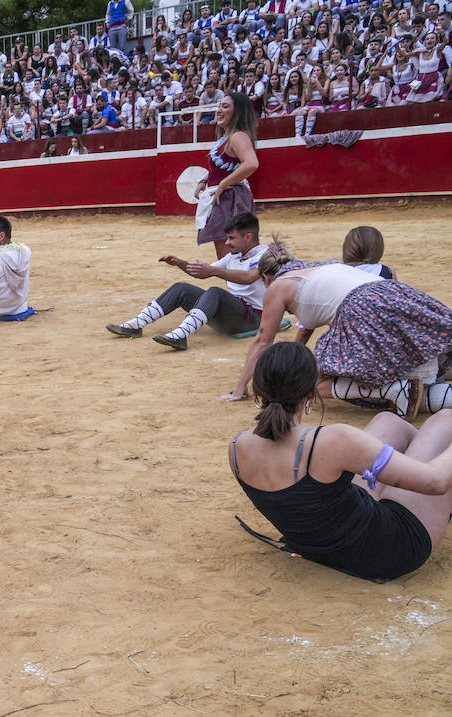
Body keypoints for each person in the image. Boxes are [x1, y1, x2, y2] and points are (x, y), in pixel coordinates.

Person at [230, 341, 452, 582]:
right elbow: (436, 483)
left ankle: (422, 476)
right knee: (446, 421)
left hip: (318, 545)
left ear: (259, 391)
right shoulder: (333, 441)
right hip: (389, 551)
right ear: (311, 394)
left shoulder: (237, 446)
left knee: (389, 421)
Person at [224, 239, 452, 417]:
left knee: (313, 383)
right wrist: (295, 363)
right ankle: (417, 383)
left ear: (266, 277)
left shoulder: (278, 286)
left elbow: (263, 342)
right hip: (394, 294)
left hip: (362, 309)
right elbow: (305, 329)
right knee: (430, 362)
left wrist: (240, 387)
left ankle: (392, 391)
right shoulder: (321, 267)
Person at [106, 211, 268, 349]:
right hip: (233, 315)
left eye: (232, 238)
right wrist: (180, 263)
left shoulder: (265, 254)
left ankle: (181, 335)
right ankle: (136, 325)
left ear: (248, 237)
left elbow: (249, 277)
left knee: (215, 292)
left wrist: (213, 271)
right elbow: (202, 273)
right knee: (181, 288)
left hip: (252, 319)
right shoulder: (234, 255)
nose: (227, 243)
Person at [196, 92, 258, 259]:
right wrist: (205, 180)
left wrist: (223, 184)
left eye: (225, 106)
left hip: (230, 199)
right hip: (225, 198)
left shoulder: (237, 136)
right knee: (229, 254)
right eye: (219, 106)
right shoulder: (227, 137)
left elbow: (251, 163)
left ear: (237, 112)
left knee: (231, 257)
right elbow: (225, 167)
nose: (219, 110)